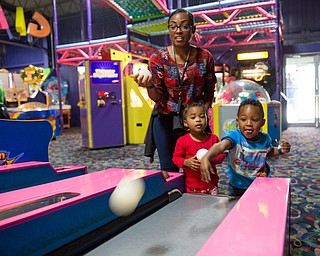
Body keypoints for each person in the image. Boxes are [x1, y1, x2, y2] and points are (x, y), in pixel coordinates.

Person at [134, 9, 217, 173]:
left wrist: (201, 116)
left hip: (193, 120)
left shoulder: (205, 57)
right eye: (173, 26)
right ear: (169, 30)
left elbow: (209, 91)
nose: (178, 31)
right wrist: (149, 84)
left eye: (184, 26)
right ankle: (172, 197)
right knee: (169, 168)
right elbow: (157, 97)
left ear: (193, 29)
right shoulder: (159, 58)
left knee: (195, 166)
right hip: (165, 119)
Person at [200, 98, 291, 196]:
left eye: (254, 120)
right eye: (243, 119)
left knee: (258, 208)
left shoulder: (265, 138)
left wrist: (281, 150)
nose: (248, 124)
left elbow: (268, 152)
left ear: (262, 123)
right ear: (237, 122)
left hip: (259, 183)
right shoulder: (235, 136)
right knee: (236, 209)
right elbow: (221, 146)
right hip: (237, 186)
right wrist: (207, 157)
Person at [172, 103, 225, 195]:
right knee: (194, 207)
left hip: (211, 186)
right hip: (192, 187)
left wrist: (210, 159)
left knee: (213, 207)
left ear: (207, 119)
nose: (198, 120)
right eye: (193, 117)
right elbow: (176, 158)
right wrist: (185, 162)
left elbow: (222, 155)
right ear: (185, 123)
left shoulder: (213, 138)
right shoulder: (182, 141)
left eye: (202, 116)